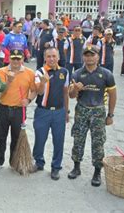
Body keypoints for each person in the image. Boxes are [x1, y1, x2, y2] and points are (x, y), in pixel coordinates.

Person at [68, 45, 117, 187]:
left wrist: (110, 115)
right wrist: (75, 89)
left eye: (92, 55)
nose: (89, 58)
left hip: (98, 111)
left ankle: (97, 171)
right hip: (82, 110)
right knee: (78, 139)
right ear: (83, 57)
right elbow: (71, 96)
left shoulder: (106, 74)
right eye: (87, 55)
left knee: (98, 143)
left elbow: (113, 95)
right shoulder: (77, 74)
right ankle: (76, 167)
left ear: (97, 56)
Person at [0, 49, 36, 172]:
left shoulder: (29, 73)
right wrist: (9, 81)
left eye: (18, 58)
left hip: (19, 110)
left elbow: (34, 91)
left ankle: (14, 162)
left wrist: (28, 100)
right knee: (1, 137)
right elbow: (1, 90)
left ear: (22, 59)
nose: (16, 61)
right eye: (13, 58)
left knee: (16, 138)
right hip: (4, 108)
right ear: (9, 59)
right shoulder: (2, 71)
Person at [33, 48, 69, 180]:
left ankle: (56, 167)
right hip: (43, 112)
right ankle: (38, 162)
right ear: (45, 58)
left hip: (59, 112)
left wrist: (66, 111)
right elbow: (39, 92)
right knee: (40, 139)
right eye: (49, 56)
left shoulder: (64, 72)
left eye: (54, 56)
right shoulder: (39, 72)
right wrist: (43, 81)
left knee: (58, 141)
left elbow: (65, 93)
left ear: (58, 57)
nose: (52, 59)